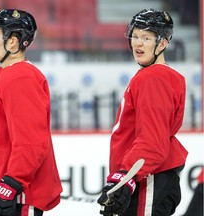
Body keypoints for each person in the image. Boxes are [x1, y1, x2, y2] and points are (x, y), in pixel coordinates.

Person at [0, 9, 61, 216]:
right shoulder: (1, 75)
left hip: (17, 197)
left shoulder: (20, 77)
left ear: (13, 42)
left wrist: (12, 182)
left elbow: (32, 142)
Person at [97, 8, 188, 216]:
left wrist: (125, 177)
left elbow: (153, 141)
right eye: (135, 36)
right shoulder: (158, 76)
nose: (137, 43)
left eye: (146, 38)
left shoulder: (153, 78)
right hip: (147, 177)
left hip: (148, 179)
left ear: (163, 43)